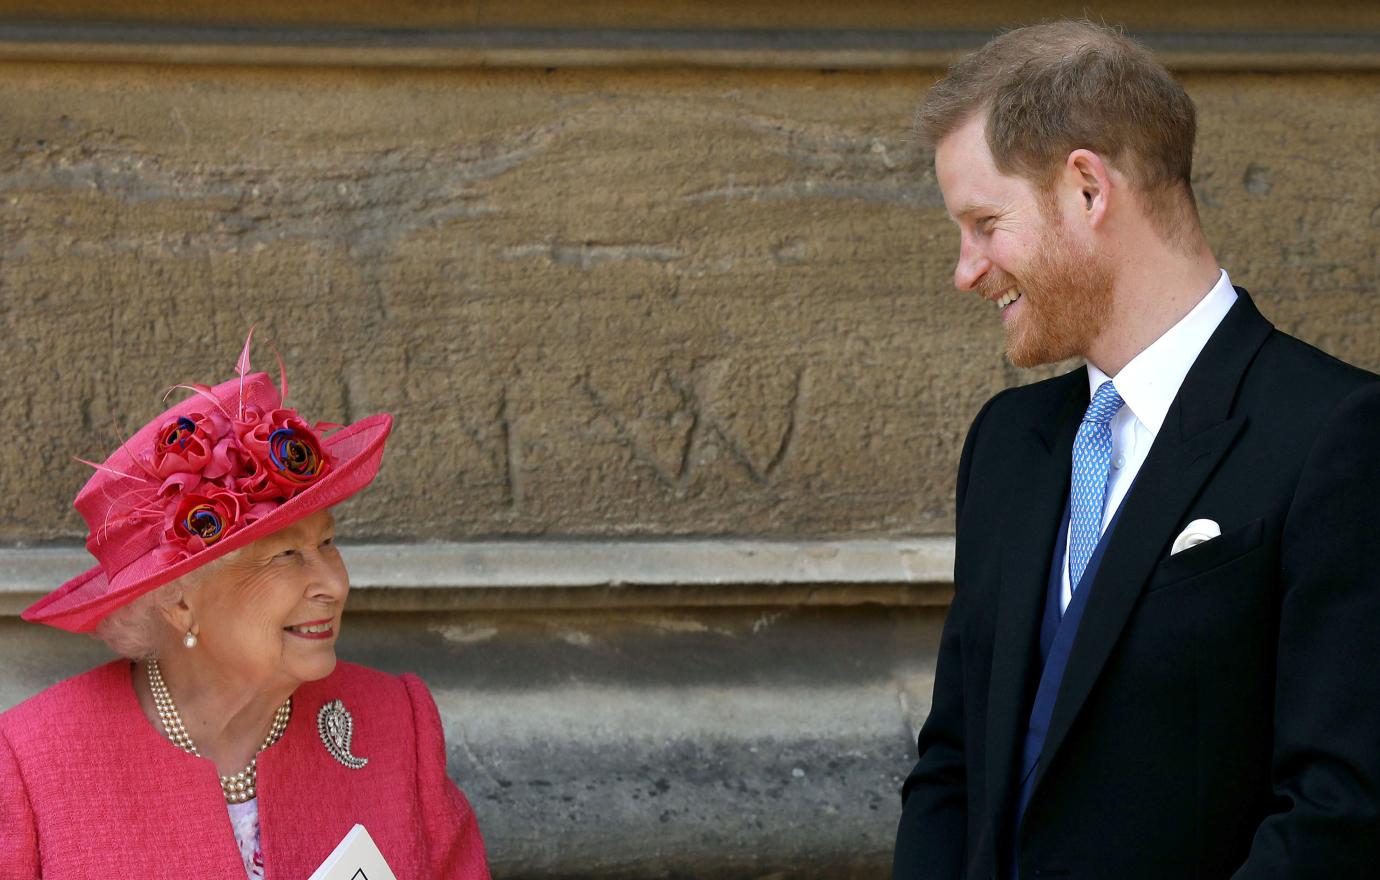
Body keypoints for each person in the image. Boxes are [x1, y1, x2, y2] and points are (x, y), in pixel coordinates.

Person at [892, 20, 1380, 879]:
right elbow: (953, 767)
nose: (966, 270)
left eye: (984, 222)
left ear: (1087, 189)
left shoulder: (1338, 436)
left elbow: (1340, 813)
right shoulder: (1008, 445)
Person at [0, 336, 491, 879]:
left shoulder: (397, 722)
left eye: (327, 543)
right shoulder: (30, 764)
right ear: (180, 601)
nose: (333, 582)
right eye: (284, 555)